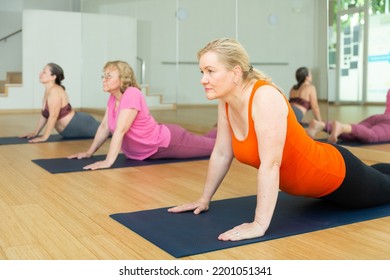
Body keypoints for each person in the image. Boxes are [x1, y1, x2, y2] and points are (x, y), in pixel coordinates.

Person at [168, 38, 390, 242]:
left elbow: (271, 163)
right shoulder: (226, 101)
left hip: (337, 175)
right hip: (321, 186)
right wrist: (203, 199)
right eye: (201, 71)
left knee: (383, 185)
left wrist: (259, 224)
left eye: (210, 71)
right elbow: (222, 153)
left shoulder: (264, 97)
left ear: (235, 73)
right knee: (379, 173)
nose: (203, 79)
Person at [68, 60, 216, 170]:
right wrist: (89, 152)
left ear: (122, 79)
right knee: (207, 140)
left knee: (216, 148)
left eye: (109, 76)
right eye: (103, 76)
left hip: (166, 143)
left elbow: (120, 130)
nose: (103, 79)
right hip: (146, 152)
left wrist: (108, 161)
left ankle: (230, 128)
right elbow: (104, 127)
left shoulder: (132, 93)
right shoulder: (113, 97)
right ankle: (221, 128)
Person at [20, 63, 100, 143]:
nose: (40, 73)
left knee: (109, 130)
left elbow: (53, 116)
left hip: (80, 124)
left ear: (53, 77)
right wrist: (35, 133)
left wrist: (45, 137)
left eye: (44, 72)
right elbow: (45, 115)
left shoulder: (55, 91)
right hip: (70, 130)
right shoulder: (48, 90)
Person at [306, 89, 390, 144]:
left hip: (379, 117)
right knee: (371, 135)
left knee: (354, 133)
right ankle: (341, 127)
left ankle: (322, 125)